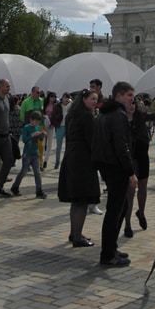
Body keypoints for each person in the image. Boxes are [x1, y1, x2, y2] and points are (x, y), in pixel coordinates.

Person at [92, 81, 137, 267]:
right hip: (115, 167)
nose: (131, 100)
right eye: (128, 96)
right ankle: (107, 254)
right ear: (118, 95)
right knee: (114, 210)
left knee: (121, 206)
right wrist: (130, 172)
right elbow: (121, 145)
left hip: (107, 165)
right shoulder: (117, 115)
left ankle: (112, 248)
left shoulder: (106, 112)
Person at [58, 89, 100, 247]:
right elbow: (92, 140)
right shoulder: (86, 116)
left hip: (72, 158)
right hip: (82, 161)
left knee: (76, 201)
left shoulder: (72, 115)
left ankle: (74, 233)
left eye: (96, 99)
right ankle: (77, 237)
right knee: (82, 200)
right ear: (84, 100)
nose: (94, 102)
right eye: (91, 99)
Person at [122, 96, 155, 238]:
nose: (132, 105)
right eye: (129, 103)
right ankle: (127, 223)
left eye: (134, 103)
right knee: (130, 191)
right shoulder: (120, 119)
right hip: (129, 158)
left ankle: (141, 212)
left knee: (143, 187)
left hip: (142, 156)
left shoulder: (140, 116)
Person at [11, 110, 46, 198]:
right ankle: (15, 187)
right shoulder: (26, 127)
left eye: (38, 121)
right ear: (31, 120)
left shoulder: (38, 127)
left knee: (37, 173)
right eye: (35, 121)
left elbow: (40, 140)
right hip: (27, 154)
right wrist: (32, 135)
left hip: (35, 154)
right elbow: (24, 140)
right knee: (23, 171)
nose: (36, 123)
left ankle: (39, 191)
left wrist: (42, 135)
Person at [53, 93, 72, 169]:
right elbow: (54, 115)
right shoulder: (57, 105)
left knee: (68, 146)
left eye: (68, 98)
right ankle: (57, 162)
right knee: (58, 146)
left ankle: (66, 162)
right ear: (62, 98)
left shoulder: (71, 105)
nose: (66, 99)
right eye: (65, 97)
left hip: (68, 127)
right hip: (59, 126)